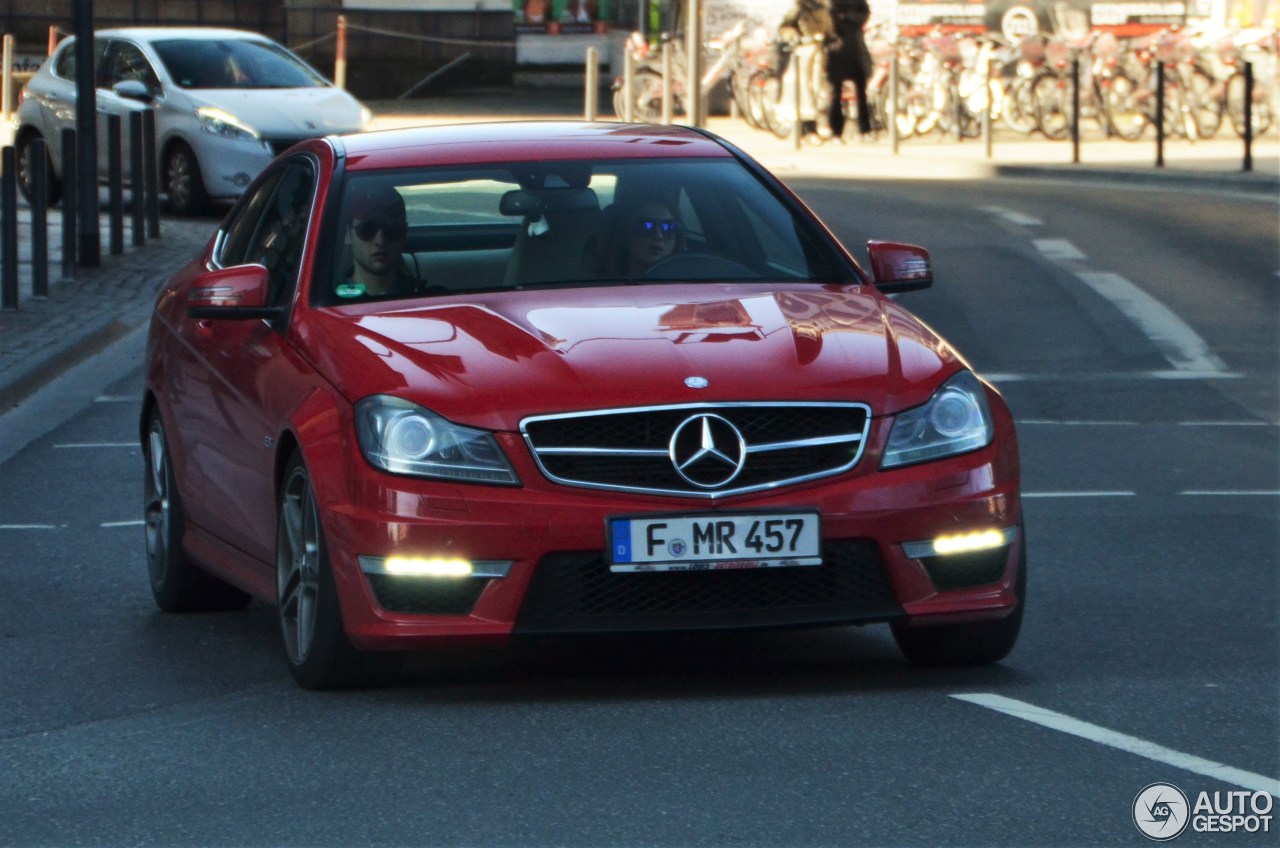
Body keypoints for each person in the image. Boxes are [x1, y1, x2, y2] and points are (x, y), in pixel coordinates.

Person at [335, 183, 423, 300]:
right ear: (348, 234)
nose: (380, 240)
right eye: (367, 229)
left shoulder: (428, 300)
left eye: (392, 229)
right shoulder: (328, 303)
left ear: (404, 233)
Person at [779, 0, 836, 138]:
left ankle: (815, 125)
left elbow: (828, 29)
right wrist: (796, 38)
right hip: (804, 52)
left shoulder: (823, 8)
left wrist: (829, 39)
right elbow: (786, 27)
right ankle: (807, 127)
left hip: (819, 52)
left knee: (817, 88)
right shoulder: (800, 8)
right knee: (804, 89)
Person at [826, 0, 873, 140]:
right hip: (838, 51)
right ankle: (836, 132)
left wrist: (846, 17)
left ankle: (865, 130)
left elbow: (864, 14)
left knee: (862, 94)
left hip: (856, 50)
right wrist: (849, 18)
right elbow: (831, 18)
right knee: (836, 94)